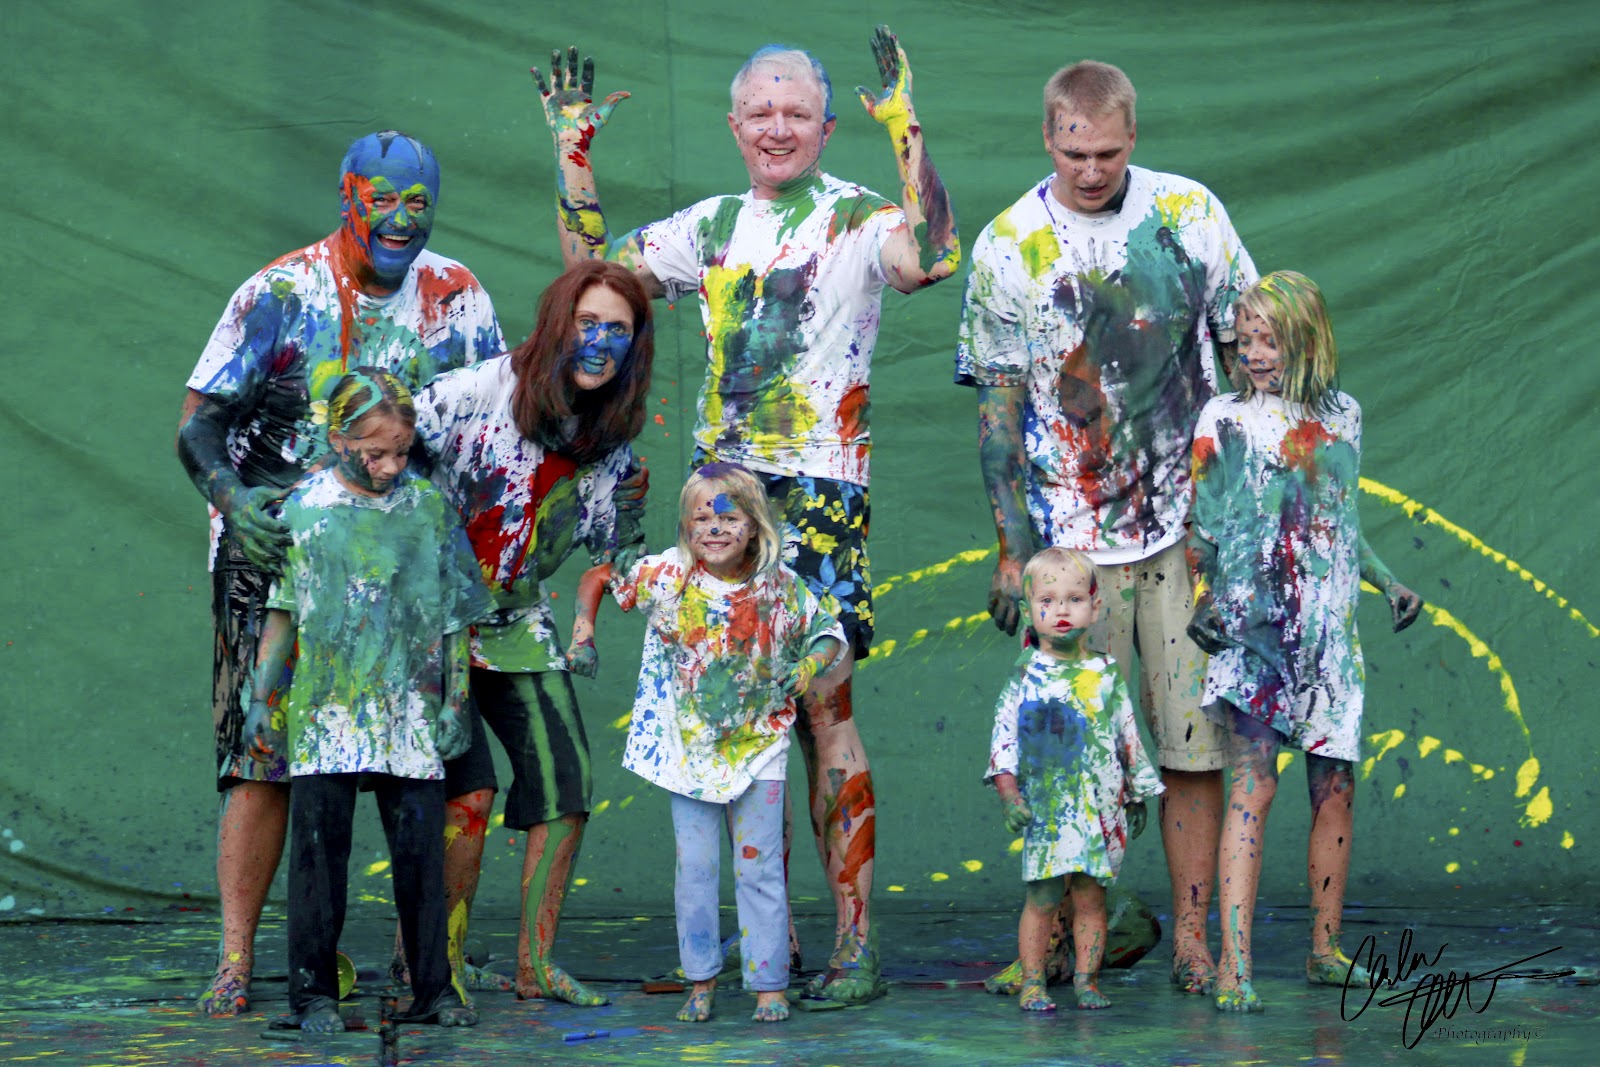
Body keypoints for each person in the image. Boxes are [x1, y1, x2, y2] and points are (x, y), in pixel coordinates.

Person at [527, 27, 960, 1003]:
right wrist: (572, 153)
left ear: (825, 122)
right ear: (734, 125)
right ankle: (769, 948)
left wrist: (909, 134)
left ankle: (854, 945)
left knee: (823, 710)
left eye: (795, 112)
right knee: (734, 724)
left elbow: (932, 254)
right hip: (721, 501)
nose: (777, 127)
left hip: (817, 499)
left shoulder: (857, 215)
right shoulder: (713, 224)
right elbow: (596, 281)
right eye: (760, 113)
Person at [176, 130, 503, 1014]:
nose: (401, 219)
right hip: (280, 560)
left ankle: (421, 964)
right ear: (347, 195)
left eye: (418, 202)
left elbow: (486, 429)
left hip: (405, 571)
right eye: (383, 199)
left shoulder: (460, 298)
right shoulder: (280, 292)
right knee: (262, 759)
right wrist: (234, 502)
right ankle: (238, 961)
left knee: (431, 769)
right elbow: (198, 423)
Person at [956, 60, 1256, 995]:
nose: (1092, 170)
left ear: (1136, 135)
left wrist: (1235, 522)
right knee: (1065, 752)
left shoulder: (1189, 216)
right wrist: (1014, 550)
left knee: (1191, 747)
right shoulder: (1009, 243)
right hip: (1071, 548)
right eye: (1074, 151)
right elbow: (997, 413)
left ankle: (1194, 936)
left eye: (1110, 152)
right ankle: (1071, 934)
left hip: (1182, 530)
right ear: (1047, 137)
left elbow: (1248, 354)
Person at [410, 259, 655, 1005]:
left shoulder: (611, 444)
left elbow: (619, 558)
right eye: (589, 325)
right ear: (558, 324)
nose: (601, 343)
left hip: (520, 621)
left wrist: (650, 538)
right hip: (433, 623)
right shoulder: (477, 391)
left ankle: (534, 963)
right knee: (468, 794)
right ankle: (437, 964)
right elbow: (381, 455)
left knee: (566, 785)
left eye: (619, 329)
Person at [1186, 271, 1421, 1011]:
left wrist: (1388, 582)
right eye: (1246, 338)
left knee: (1336, 790)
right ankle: (1235, 963)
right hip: (1253, 629)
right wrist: (1203, 599)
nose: (1255, 353)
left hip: (1327, 633)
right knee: (1253, 787)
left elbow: (1341, 521)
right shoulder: (1222, 416)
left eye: (1271, 339)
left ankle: (1325, 949)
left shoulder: (1344, 415)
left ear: (1307, 340)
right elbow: (1203, 530)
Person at [243, 369, 493, 1031]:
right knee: (318, 856)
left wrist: (454, 703)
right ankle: (313, 995)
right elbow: (280, 614)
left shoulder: (429, 510)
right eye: (374, 452)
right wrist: (258, 700)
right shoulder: (304, 509)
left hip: (410, 710)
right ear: (336, 439)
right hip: (326, 711)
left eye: (402, 452)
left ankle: (433, 990)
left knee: (421, 857)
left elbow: (456, 617)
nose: (389, 466)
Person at [568, 463, 846, 1023]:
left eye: (728, 516)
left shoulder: (779, 586)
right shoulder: (669, 575)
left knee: (759, 866)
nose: (713, 528)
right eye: (700, 517)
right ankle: (701, 981)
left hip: (758, 746)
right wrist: (583, 635)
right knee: (695, 870)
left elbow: (828, 632)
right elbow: (598, 577)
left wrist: (809, 664)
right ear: (686, 526)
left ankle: (769, 985)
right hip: (687, 751)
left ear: (754, 525)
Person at [986, 548, 1165, 1011]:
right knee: (1043, 897)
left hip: (1100, 809)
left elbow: (1128, 733)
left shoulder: (1106, 672)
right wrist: (1009, 796)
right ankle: (1032, 981)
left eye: (1073, 599)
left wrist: (1138, 792)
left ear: (1096, 607)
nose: (1061, 610)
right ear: (1028, 611)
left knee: (1091, 898)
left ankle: (1087, 980)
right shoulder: (1024, 675)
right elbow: (1002, 743)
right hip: (1047, 808)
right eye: (1047, 600)